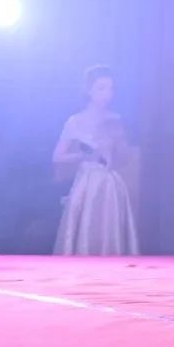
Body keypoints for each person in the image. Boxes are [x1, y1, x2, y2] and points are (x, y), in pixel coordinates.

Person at [53, 66, 140, 256]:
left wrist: (118, 143)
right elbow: (57, 157)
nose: (107, 94)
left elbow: (123, 157)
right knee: (85, 227)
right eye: (101, 88)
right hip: (86, 181)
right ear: (88, 90)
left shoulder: (115, 119)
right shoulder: (75, 121)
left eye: (111, 88)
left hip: (110, 182)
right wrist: (84, 155)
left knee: (110, 230)